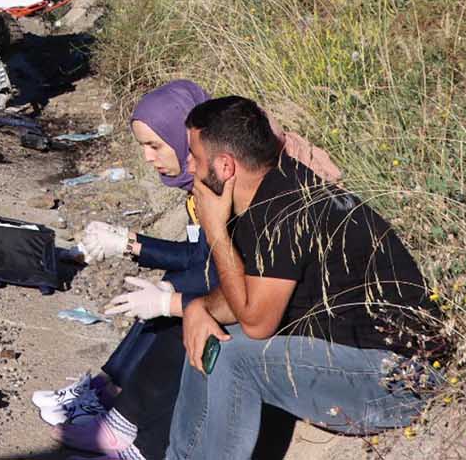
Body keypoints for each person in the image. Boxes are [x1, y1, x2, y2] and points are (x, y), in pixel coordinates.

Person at [32, 82, 343, 460]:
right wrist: (135, 246)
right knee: (178, 302)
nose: (148, 158)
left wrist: (167, 292)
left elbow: (221, 272)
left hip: (300, 323)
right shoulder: (213, 183)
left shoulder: (245, 190)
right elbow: (207, 260)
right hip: (272, 303)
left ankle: (134, 434)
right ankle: (109, 397)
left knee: (186, 313)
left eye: (155, 145)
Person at [171, 96, 441, 460]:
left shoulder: (286, 211)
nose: (188, 165)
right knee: (207, 337)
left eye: (194, 156)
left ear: (225, 166)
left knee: (235, 356)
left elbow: (256, 324)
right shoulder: (264, 197)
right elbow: (245, 296)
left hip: (401, 380)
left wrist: (215, 230)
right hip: (352, 360)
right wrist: (199, 308)